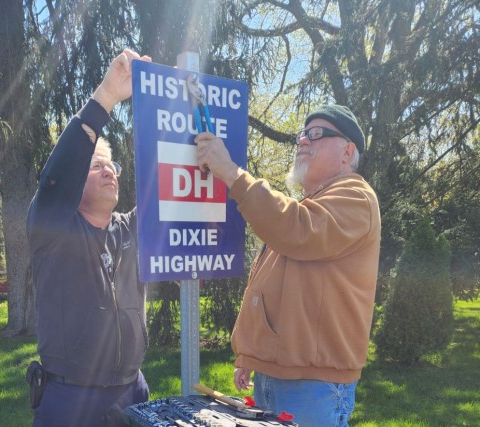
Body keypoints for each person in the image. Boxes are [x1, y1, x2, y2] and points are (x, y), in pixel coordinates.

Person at [195, 105, 381, 427]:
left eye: (316, 134)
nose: (303, 142)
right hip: (277, 377)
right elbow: (267, 285)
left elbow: (294, 229)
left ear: (347, 151)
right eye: (302, 135)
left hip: (313, 388)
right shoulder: (312, 205)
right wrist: (250, 356)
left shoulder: (356, 196)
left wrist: (231, 172)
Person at [26, 48, 152, 427]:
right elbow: (58, 174)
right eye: (96, 166)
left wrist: (172, 102)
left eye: (111, 166)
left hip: (133, 392)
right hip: (70, 400)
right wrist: (108, 97)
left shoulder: (131, 228)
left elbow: (168, 188)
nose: (109, 172)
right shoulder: (52, 227)